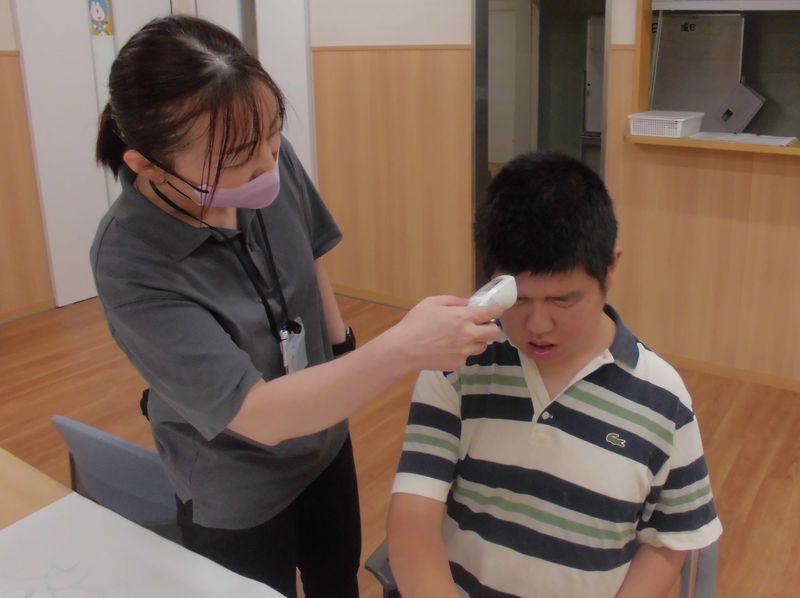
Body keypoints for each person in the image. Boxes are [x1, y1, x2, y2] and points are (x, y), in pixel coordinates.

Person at [90, 15, 502, 598]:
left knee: (339, 577)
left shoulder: (265, 156)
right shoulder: (130, 260)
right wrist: (403, 347)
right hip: (235, 483)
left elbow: (309, 249)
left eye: (272, 134)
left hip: (323, 441)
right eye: (237, 156)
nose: (266, 163)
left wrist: (339, 346)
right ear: (147, 166)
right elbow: (257, 414)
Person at [387, 152, 723, 597]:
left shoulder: (663, 400)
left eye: (563, 301)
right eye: (518, 301)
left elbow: (667, 542)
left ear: (610, 268)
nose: (538, 325)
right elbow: (412, 519)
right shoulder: (459, 367)